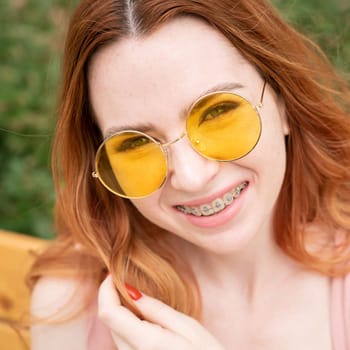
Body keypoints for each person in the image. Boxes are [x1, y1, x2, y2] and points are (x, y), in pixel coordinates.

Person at [29, 0, 350, 349]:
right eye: (136, 144)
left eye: (218, 113)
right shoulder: (71, 306)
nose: (191, 177)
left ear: (283, 103)